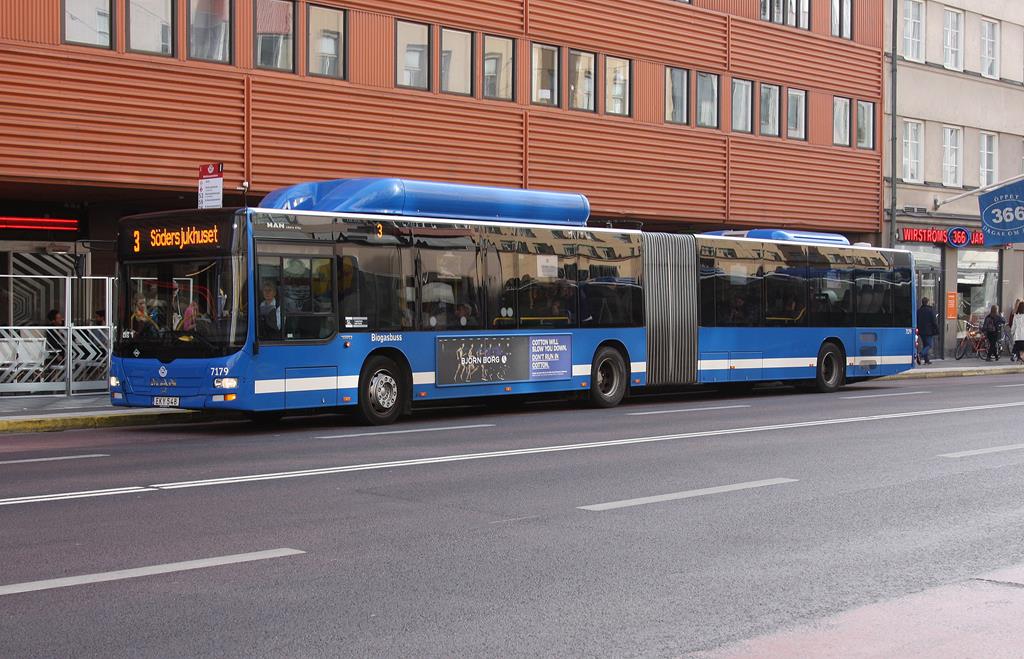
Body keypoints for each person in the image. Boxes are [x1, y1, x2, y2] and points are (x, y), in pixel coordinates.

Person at [916, 297, 939, 365]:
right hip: (928, 331)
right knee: (929, 345)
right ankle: (920, 355)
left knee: (925, 345)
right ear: (927, 302)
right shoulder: (930, 310)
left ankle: (926, 360)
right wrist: (937, 329)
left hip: (921, 331)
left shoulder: (919, 310)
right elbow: (934, 321)